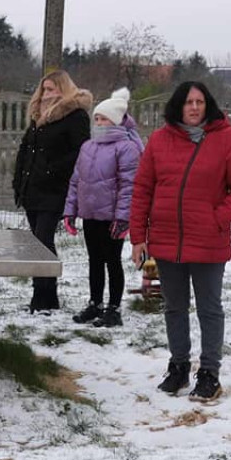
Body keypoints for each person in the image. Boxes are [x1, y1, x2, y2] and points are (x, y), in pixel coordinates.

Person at [129, 81, 231, 402]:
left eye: (199, 101)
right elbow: (142, 189)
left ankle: (209, 373)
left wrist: (218, 217)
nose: (194, 107)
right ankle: (179, 367)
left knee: (209, 309)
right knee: (174, 307)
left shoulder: (226, 140)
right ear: (178, 107)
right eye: (188, 102)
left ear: (208, 105)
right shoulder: (159, 141)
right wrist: (137, 238)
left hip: (209, 242)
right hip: (167, 241)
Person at [13, 70, 93, 313]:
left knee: (43, 241)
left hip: (54, 190)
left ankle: (43, 298)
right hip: (32, 190)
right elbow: (26, 151)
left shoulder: (74, 115)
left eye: (52, 89)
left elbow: (81, 150)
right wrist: (19, 181)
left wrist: (52, 171)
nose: (46, 94)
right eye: (44, 89)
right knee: (39, 243)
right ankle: (46, 296)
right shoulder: (38, 117)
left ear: (64, 89)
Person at [63, 87, 142, 328]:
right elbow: (76, 180)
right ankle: (95, 303)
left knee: (112, 260)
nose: (99, 122)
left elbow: (129, 185)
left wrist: (123, 218)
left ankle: (114, 308)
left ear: (116, 120)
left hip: (112, 217)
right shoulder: (88, 146)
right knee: (94, 260)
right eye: (96, 118)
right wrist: (70, 210)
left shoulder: (126, 148)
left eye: (104, 118)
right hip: (90, 215)